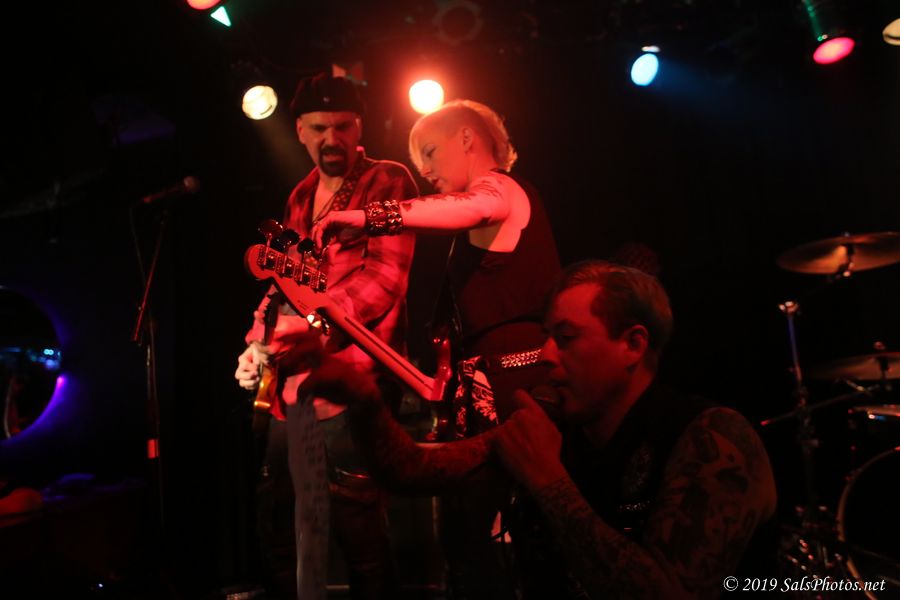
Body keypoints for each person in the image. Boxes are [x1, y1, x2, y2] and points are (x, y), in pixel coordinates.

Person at [312, 99, 561, 599]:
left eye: (429, 151)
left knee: (497, 546)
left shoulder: (502, 188)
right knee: (471, 545)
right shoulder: (483, 220)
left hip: (516, 393)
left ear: (467, 138)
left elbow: (474, 206)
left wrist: (366, 217)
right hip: (488, 394)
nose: (424, 171)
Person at [234, 73, 418, 600]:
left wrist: (315, 325)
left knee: (360, 535)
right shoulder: (300, 196)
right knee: (278, 529)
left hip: (358, 380)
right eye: (319, 128)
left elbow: (385, 278)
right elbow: (283, 283)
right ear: (298, 130)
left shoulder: (387, 179)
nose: (332, 139)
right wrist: (256, 341)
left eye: (343, 127)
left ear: (360, 127)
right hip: (296, 389)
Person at [493, 260, 778, 598]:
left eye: (566, 337)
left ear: (633, 345)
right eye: (547, 337)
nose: (545, 354)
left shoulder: (712, 434)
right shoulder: (562, 439)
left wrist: (546, 478)